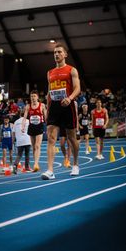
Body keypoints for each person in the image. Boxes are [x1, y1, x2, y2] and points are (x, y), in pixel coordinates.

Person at [41, 43, 81, 180]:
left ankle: (75, 164)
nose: (56, 54)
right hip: (54, 108)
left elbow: (77, 88)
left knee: (71, 137)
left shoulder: (72, 70)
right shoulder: (49, 73)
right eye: (54, 53)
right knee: (51, 139)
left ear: (65, 54)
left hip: (67, 106)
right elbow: (48, 92)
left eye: (59, 52)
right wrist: (47, 109)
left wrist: (70, 98)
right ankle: (50, 170)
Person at [22, 90, 47, 172]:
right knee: (33, 147)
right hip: (31, 127)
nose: (32, 98)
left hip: (40, 126)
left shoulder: (42, 105)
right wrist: (22, 126)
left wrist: (48, 126)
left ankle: (36, 164)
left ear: (37, 97)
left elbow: (46, 117)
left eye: (34, 96)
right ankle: (36, 163)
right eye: (31, 96)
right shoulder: (28, 106)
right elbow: (24, 117)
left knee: (37, 146)